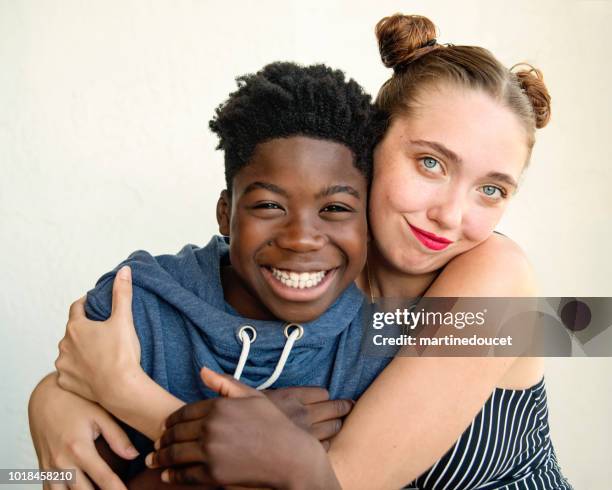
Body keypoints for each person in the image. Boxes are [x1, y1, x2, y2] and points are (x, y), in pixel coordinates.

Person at [31, 13, 569, 490]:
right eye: (431, 163)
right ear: (369, 147)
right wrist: (52, 399)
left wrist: (124, 391)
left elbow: (333, 481)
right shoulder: (310, 283)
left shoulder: (499, 280)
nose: (451, 215)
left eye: (492, 189)